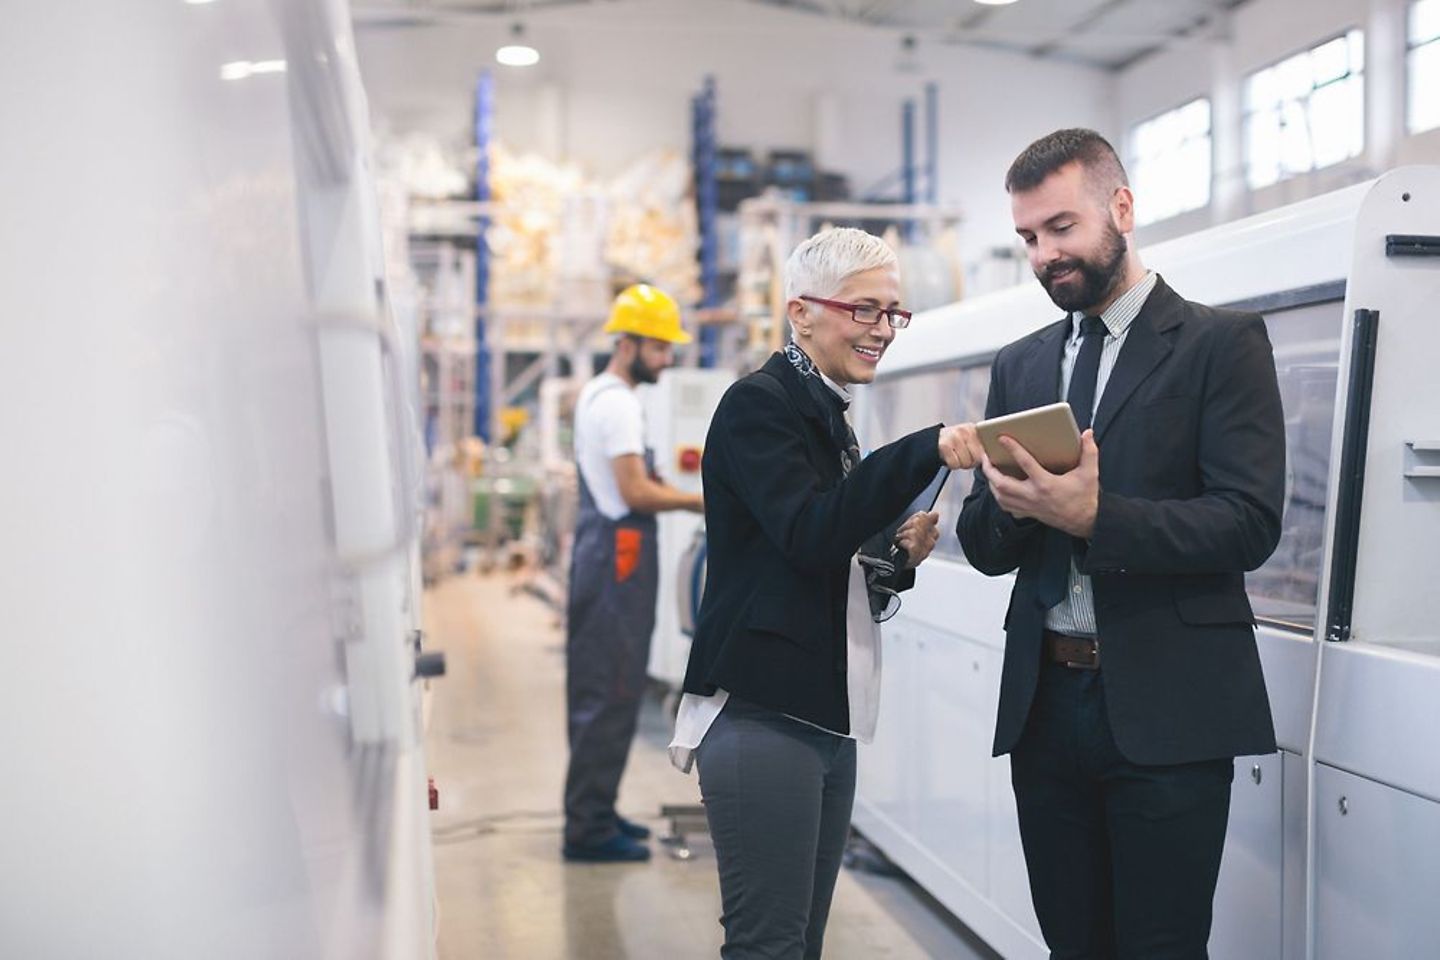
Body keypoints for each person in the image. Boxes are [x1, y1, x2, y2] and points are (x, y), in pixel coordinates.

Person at [958, 128, 1285, 958]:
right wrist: (1017, 505)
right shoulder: (1020, 367)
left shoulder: (1221, 344)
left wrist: (1094, 519)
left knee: (1162, 945)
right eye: (1028, 238)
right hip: (1046, 705)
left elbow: (1248, 520)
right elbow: (984, 543)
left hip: (1167, 710)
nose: (1044, 255)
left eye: (1061, 227)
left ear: (1123, 208)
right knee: (1073, 942)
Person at [670, 227, 983, 959]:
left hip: (822, 719)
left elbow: (826, 559)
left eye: (892, 314)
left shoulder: (827, 413)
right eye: (863, 310)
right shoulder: (760, 406)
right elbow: (809, 533)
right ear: (800, 313)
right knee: (770, 945)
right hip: (761, 716)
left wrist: (894, 557)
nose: (881, 330)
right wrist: (924, 448)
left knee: (799, 944)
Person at [562, 283, 704, 864]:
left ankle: (597, 809)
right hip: (618, 553)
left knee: (607, 687)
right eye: (660, 347)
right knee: (612, 690)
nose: (668, 359)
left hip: (608, 552)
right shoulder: (618, 404)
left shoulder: (600, 392)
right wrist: (703, 502)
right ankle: (588, 830)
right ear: (628, 343)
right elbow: (635, 490)